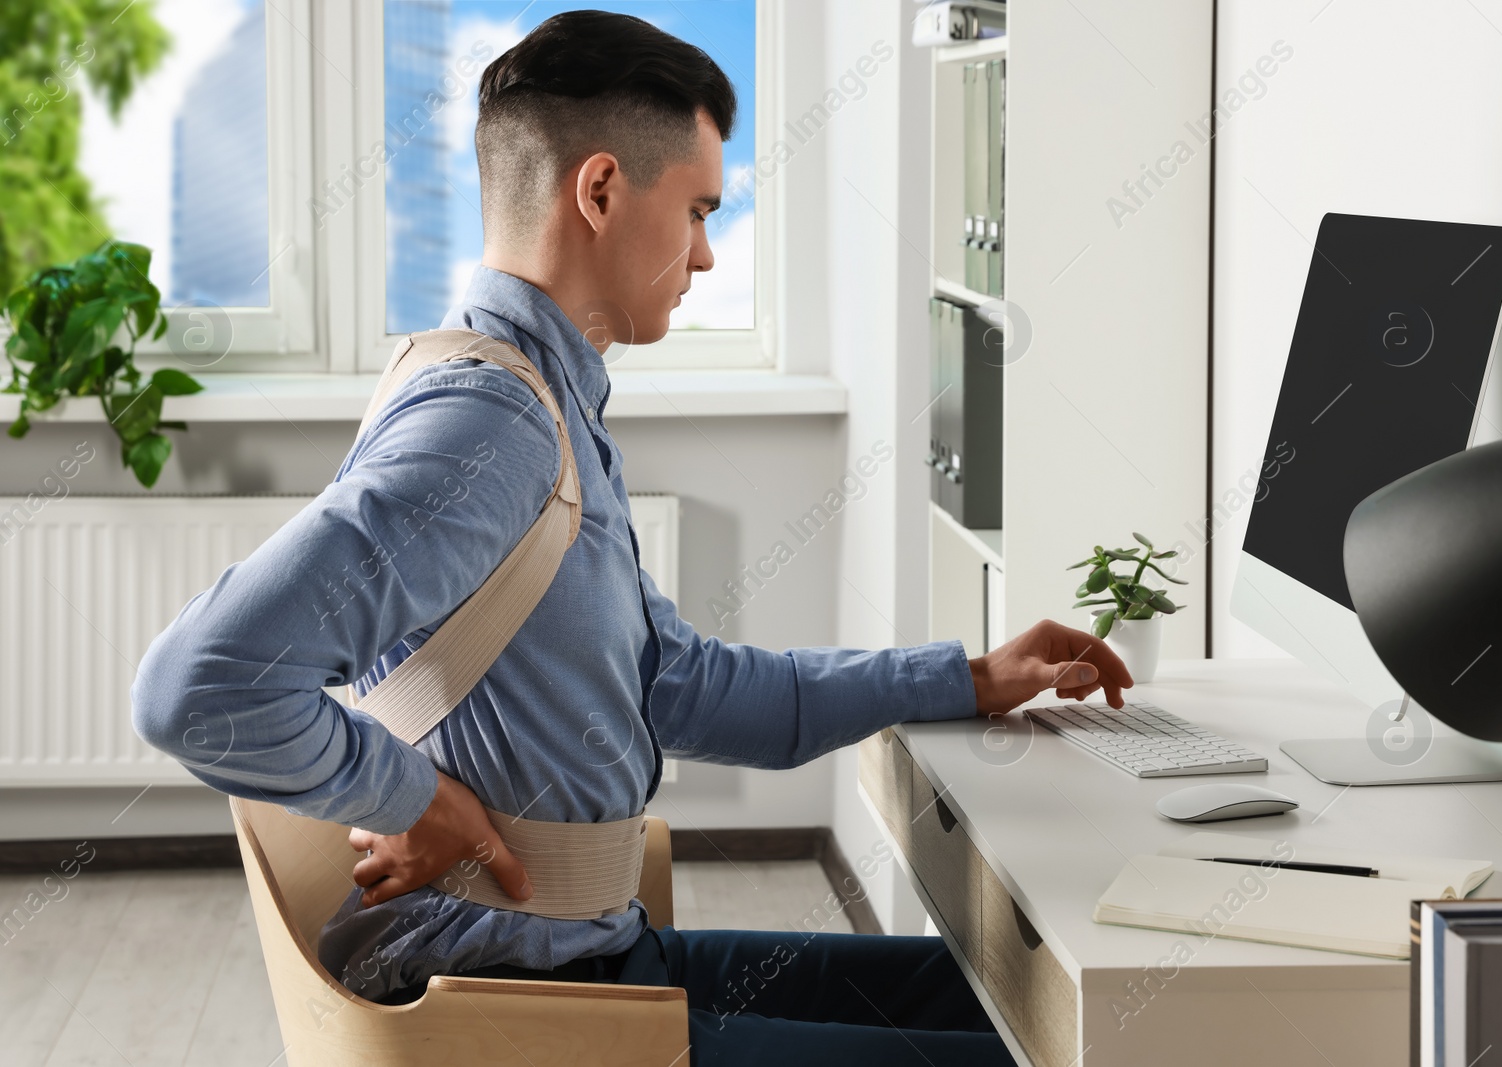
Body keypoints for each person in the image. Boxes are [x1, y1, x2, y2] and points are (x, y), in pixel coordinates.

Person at [131, 10, 1133, 1064]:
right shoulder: (492, 425)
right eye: (697, 209)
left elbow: (680, 686)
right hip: (514, 999)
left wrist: (966, 677)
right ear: (600, 190)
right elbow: (196, 684)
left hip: (590, 957)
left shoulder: (543, 406)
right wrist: (412, 796)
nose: (704, 251)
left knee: (1036, 1010)